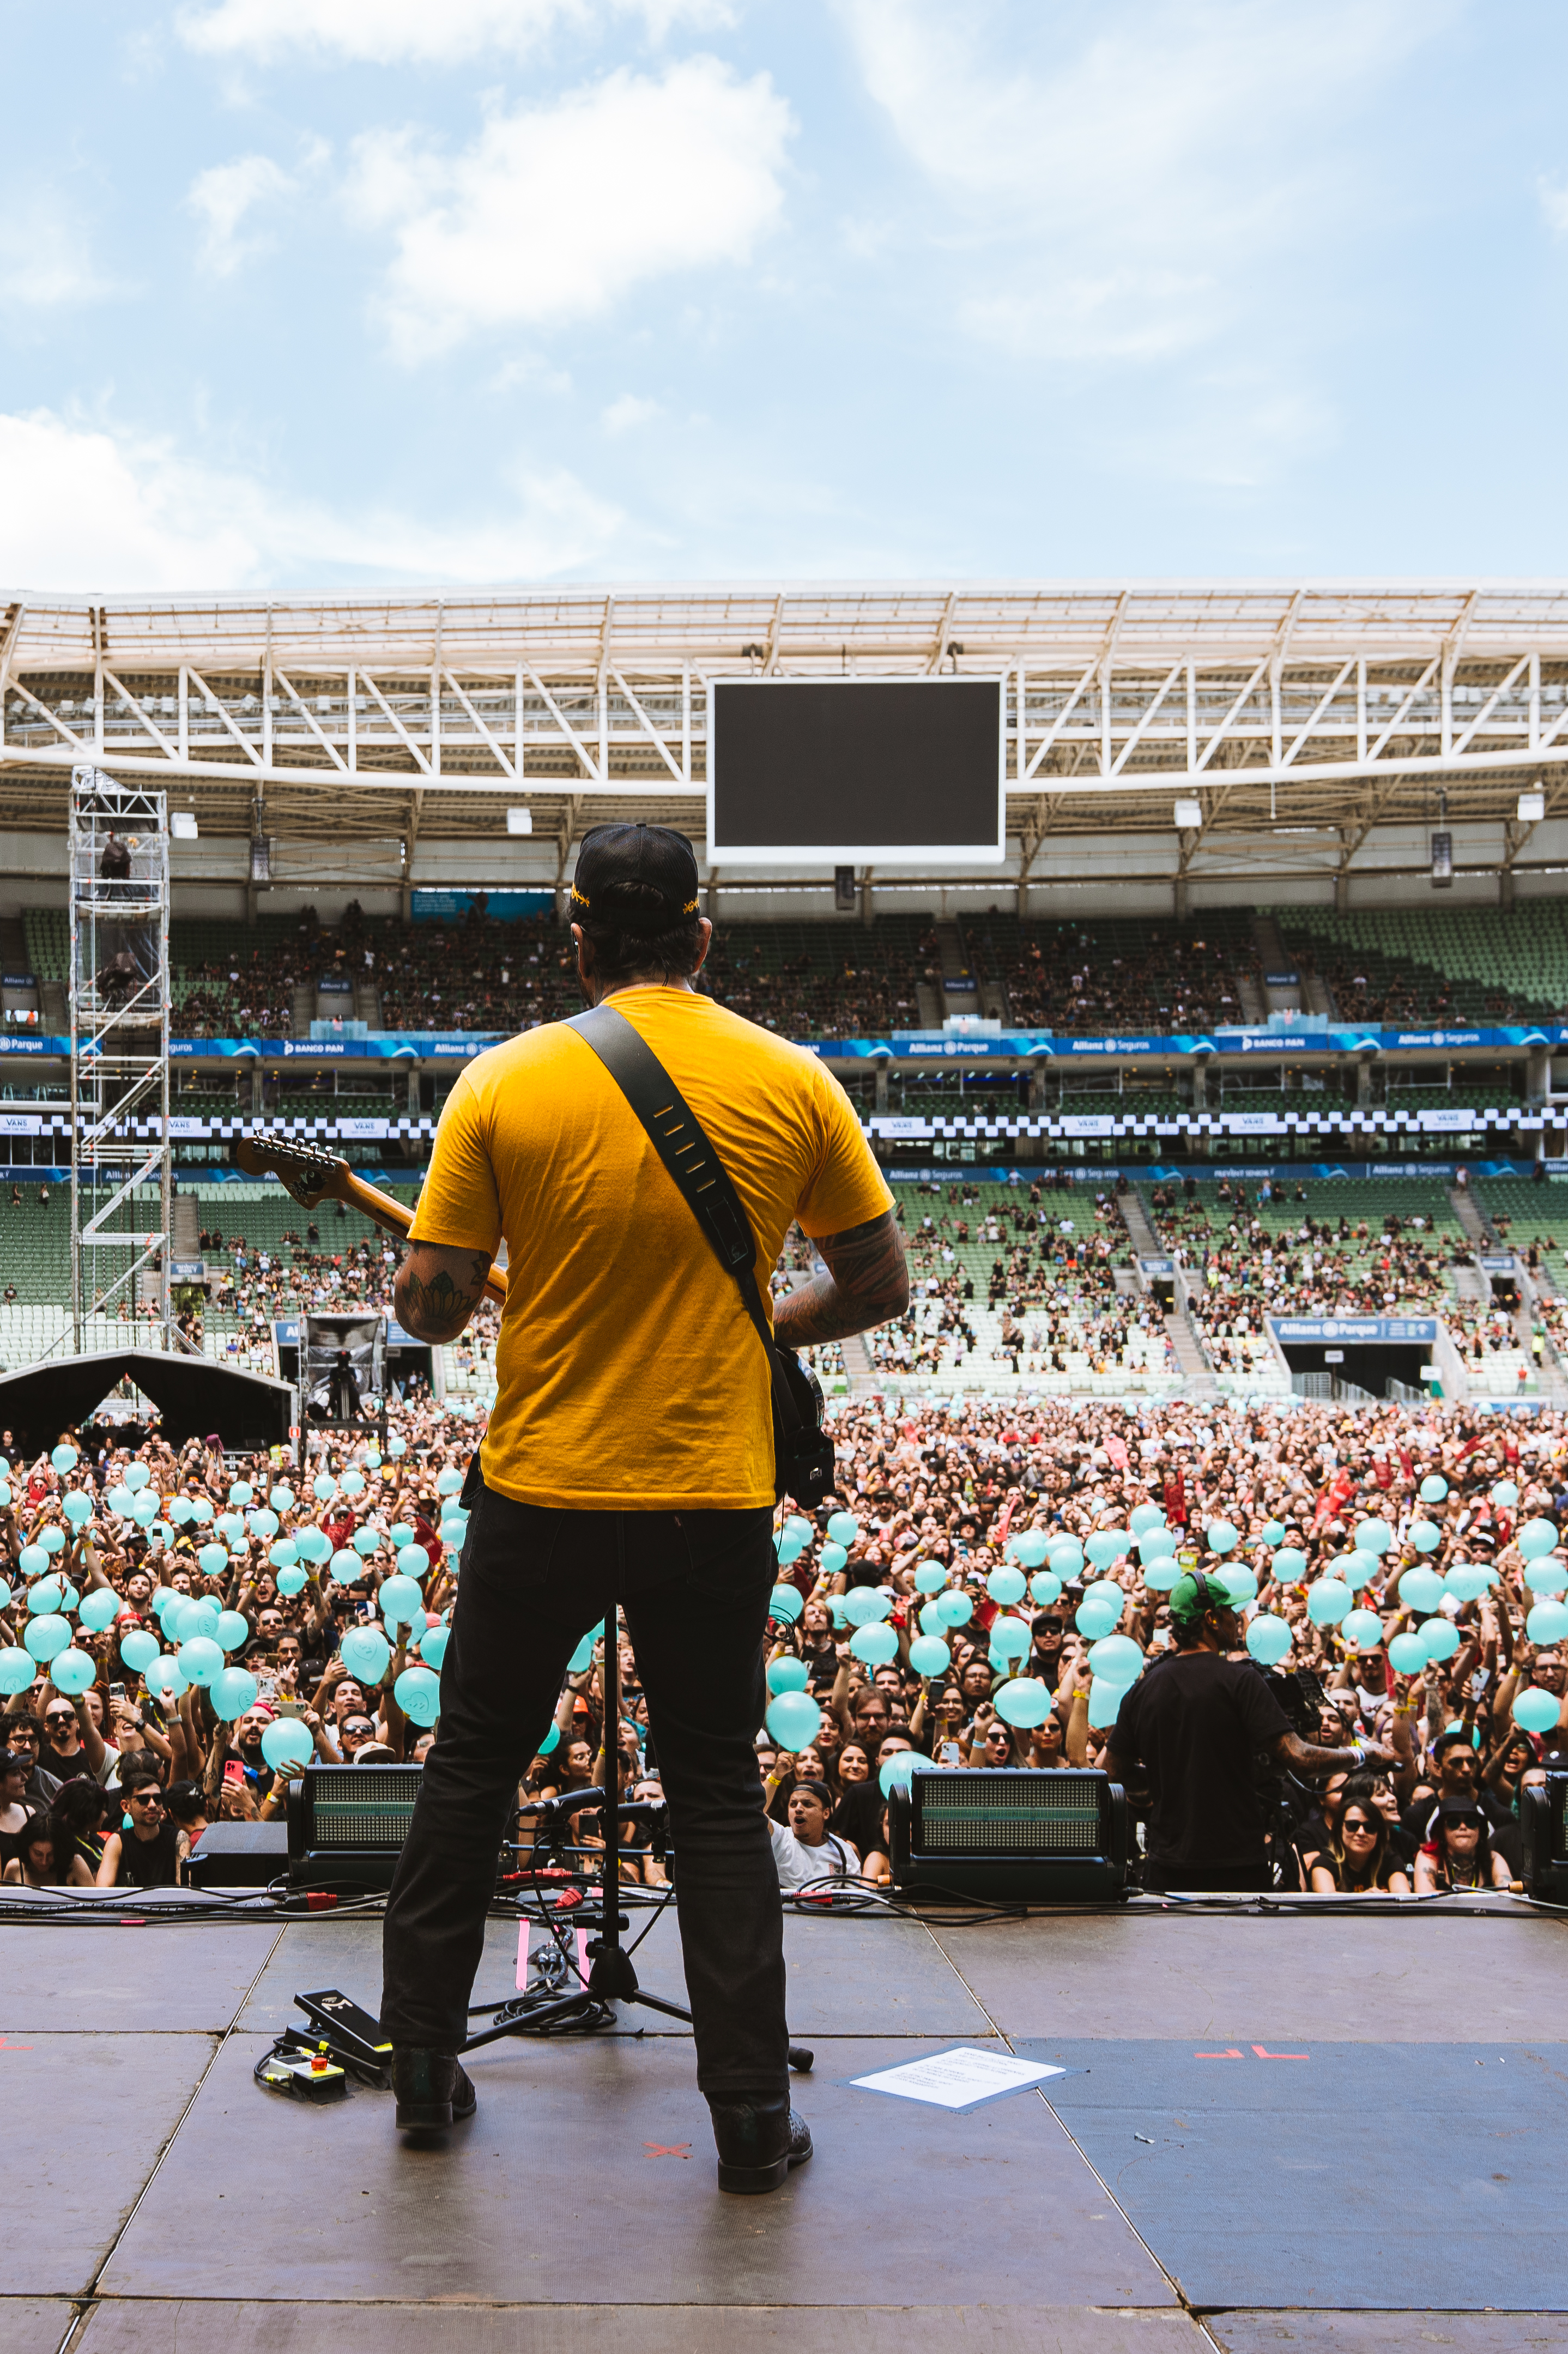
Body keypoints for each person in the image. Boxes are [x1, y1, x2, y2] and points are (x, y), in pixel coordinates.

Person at [377, 821, 908, 2197]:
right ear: (701, 937)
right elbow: (878, 1283)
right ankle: (749, 2118)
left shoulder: (501, 1081)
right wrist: (760, 1324)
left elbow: (429, 1310)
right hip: (707, 1494)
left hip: (540, 1485)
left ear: (578, 943)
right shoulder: (792, 1080)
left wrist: (446, 1272)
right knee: (719, 1795)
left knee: (471, 1768)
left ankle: (423, 2070)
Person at [1104, 1575, 1330, 1891]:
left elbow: (1109, 1773)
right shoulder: (1242, 1681)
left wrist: (1166, 1783)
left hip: (1168, 1868)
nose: (1237, 1619)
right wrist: (1363, 1755)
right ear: (1211, 1618)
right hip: (1238, 1868)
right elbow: (1299, 1757)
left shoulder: (1143, 1690)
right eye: (1230, 1611)